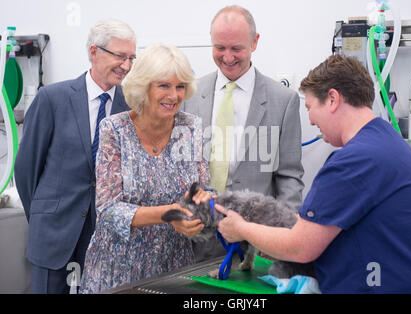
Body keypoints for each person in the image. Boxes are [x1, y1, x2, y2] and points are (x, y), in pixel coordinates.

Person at [216, 54, 411, 293]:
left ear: (332, 99)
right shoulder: (386, 140)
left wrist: (241, 229)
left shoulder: (354, 160)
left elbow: (301, 247)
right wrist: (273, 236)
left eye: (309, 107)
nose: (310, 119)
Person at [14, 19, 136, 294]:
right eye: (120, 56)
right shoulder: (52, 99)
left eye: (131, 58)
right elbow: (26, 170)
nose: (126, 66)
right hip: (54, 234)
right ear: (94, 51)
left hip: (106, 239)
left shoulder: (131, 108)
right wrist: (45, 217)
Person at [79, 44, 209, 294]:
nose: (173, 95)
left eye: (180, 86)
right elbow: (108, 209)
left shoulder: (191, 128)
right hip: (117, 270)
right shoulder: (114, 129)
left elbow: (203, 187)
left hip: (173, 267)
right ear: (143, 86)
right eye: (164, 85)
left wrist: (201, 202)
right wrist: (169, 214)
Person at [181, 5, 305, 262]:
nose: (227, 57)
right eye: (219, 47)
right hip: (195, 241)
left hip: (255, 244)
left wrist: (283, 235)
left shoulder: (283, 101)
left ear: (255, 42)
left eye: (236, 48)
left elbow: (289, 178)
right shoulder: (187, 95)